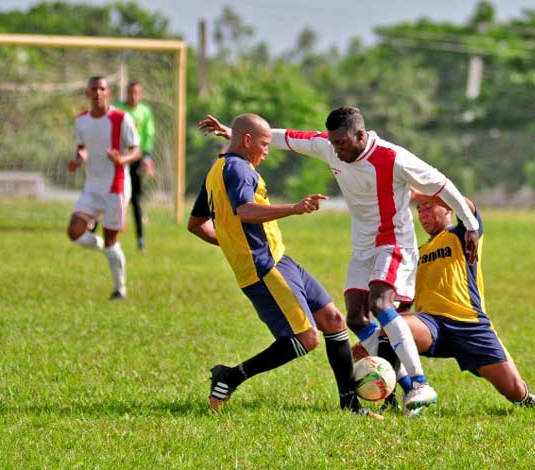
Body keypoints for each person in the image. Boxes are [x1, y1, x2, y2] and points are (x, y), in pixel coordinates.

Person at [199, 107, 480, 412]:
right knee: (352, 318)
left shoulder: (393, 157)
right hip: (358, 248)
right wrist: (234, 133)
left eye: (342, 144)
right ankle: (377, 392)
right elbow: (287, 138)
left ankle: (419, 384)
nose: (336, 150)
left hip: (393, 242)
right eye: (333, 143)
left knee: (377, 305)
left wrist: (471, 225)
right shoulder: (327, 147)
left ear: (361, 135)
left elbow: (443, 184)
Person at [189, 113, 381, 419]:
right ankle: (231, 376)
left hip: (280, 259)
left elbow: (196, 224)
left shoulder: (218, 170)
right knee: (306, 339)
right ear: (248, 141)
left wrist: (230, 242)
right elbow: (246, 211)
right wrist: (294, 208)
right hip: (264, 268)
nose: (267, 150)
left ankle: (350, 406)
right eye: (264, 144)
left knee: (333, 320)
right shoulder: (239, 169)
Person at [368, 193, 535, 412]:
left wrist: (421, 192)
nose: (423, 215)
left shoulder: (463, 235)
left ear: (448, 208)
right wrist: (374, 339)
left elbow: (468, 207)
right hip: (431, 325)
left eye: (428, 208)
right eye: (419, 211)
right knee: (392, 328)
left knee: (513, 390)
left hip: (470, 326)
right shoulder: (417, 253)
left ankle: (526, 397)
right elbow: (403, 308)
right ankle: (390, 403)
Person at [66, 76, 141, 300]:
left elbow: (136, 150)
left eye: (102, 89)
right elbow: (83, 149)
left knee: (111, 239)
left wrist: (122, 160)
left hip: (115, 187)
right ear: (87, 93)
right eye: (94, 89)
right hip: (92, 186)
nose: (98, 92)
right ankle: (106, 249)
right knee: (75, 232)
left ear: (108, 93)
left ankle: (120, 289)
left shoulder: (121, 118)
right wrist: (78, 160)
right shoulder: (81, 121)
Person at [114, 80, 156, 251]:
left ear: (141, 94)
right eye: (130, 92)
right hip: (119, 157)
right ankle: (94, 230)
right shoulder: (117, 108)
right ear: (126, 93)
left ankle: (140, 239)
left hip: (136, 158)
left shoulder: (144, 111)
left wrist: (147, 156)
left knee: (136, 199)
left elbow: (148, 135)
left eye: (136, 93)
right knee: (111, 194)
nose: (133, 96)